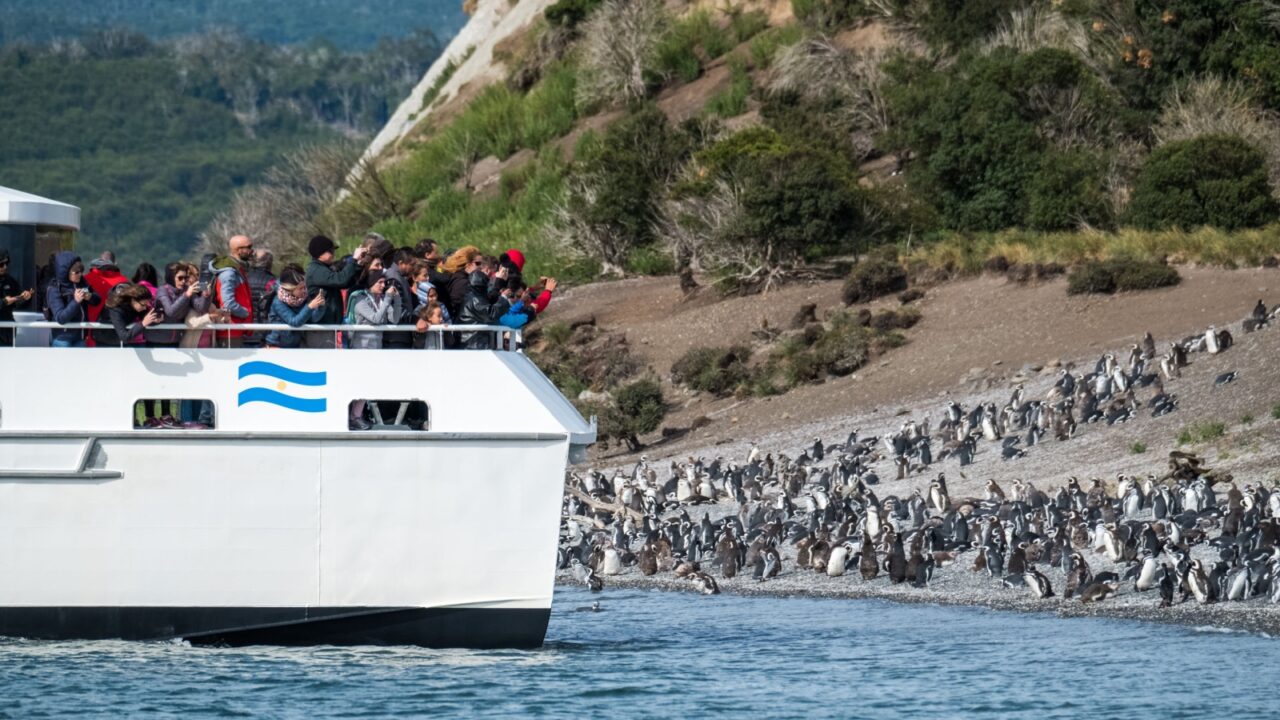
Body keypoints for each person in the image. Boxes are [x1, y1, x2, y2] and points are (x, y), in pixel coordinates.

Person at [304, 235, 368, 349]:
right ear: (320, 253)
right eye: (330, 251)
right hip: (320, 329)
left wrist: (358, 265)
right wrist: (353, 260)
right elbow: (340, 280)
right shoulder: (316, 270)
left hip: (327, 327)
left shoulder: (323, 269)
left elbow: (346, 282)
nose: (333, 253)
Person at [149, 262, 209, 348]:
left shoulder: (186, 289)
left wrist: (205, 295)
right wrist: (186, 295)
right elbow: (170, 312)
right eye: (180, 278)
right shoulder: (162, 290)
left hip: (176, 341)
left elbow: (200, 308)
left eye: (185, 278)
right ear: (171, 277)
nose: (183, 281)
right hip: (157, 342)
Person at [45, 252, 99, 348]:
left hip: (80, 336)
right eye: (76, 272)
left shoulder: (82, 282)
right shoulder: (54, 288)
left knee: (81, 363)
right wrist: (76, 301)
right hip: (62, 339)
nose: (80, 274)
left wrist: (90, 296)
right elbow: (61, 318)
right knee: (63, 363)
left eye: (81, 271)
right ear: (66, 272)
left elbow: (97, 300)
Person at [264, 266, 326, 349]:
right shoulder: (278, 302)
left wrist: (320, 306)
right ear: (290, 289)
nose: (304, 291)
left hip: (294, 345)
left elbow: (313, 319)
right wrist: (310, 306)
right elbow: (294, 321)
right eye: (300, 288)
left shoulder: (302, 299)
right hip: (277, 345)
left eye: (304, 287)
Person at [211, 235, 255, 348]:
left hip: (237, 328)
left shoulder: (236, 268)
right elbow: (227, 303)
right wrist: (245, 313)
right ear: (239, 250)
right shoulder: (229, 273)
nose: (252, 250)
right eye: (249, 247)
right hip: (230, 330)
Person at [457, 263, 510, 349]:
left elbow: (490, 298)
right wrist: (503, 298)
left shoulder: (473, 296)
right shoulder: (476, 300)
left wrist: (500, 281)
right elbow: (491, 314)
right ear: (482, 286)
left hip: (474, 342)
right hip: (474, 344)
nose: (487, 288)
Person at [94, 283, 163, 348]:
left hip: (121, 341)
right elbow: (124, 336)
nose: (145, 308)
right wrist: (143, 323)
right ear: (133, 300)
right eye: (143, 305)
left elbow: (145, 318)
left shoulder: (137, 304)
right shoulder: (116, 308)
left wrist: (156, 320)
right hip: (105, 341)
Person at [349, 270, 401, 350]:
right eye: (380, 282)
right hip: (361, 347)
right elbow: (375, 319)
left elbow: (394, 320)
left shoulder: (382, 299)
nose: (383, 285)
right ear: (371, 283)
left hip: (377, 346)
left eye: (384, 282)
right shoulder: (361, 299)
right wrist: (388, 298)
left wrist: (397, 299)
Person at [381, 248, 417, 349]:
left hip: (400, 334)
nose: (414, 268)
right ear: (401, 263)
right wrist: (416, 319)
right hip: (395, 336)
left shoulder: (398, 277)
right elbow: (393, 309)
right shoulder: (393, 278)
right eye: (412, 264)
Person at [244, 249, 277, 348]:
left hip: (245, 327)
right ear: (269, 262)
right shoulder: (273, 281)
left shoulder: (244, 278)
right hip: (265, 329)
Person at [0, 249, 34, 346]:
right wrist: (3, 302)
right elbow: (5, 302)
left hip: (8, 329)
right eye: (1, 265)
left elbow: (19, 301)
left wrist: (26, 297)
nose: (5, 267)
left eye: (7, 263)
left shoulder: (10, 280)